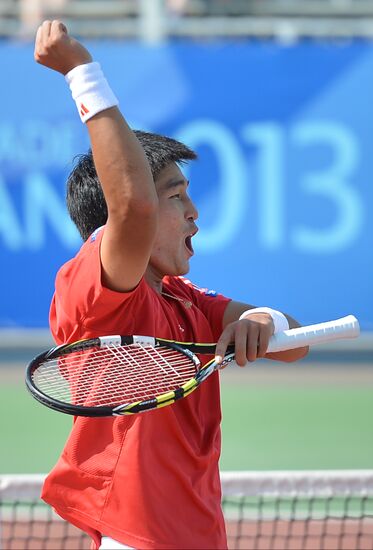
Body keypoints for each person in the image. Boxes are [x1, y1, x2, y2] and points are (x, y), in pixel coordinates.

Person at [34, 20, 308, 550]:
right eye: (176, 196)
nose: (195, 213)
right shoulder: (96, 291)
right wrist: (81, 73)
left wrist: (264, 321)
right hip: (137, 540)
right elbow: (132, 206)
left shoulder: (187, 299)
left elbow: (292, 345)